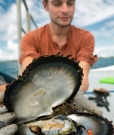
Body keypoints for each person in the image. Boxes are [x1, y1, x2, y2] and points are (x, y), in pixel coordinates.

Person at [0, 0, 102, 134]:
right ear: (45, 5)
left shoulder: (86, 37)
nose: (65, 9)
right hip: (34, 89)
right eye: (57, 3)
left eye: (70, 3)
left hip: (63, 94)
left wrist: (75, 93)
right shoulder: (30, 38)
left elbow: (83, 75)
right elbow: (29, 72)